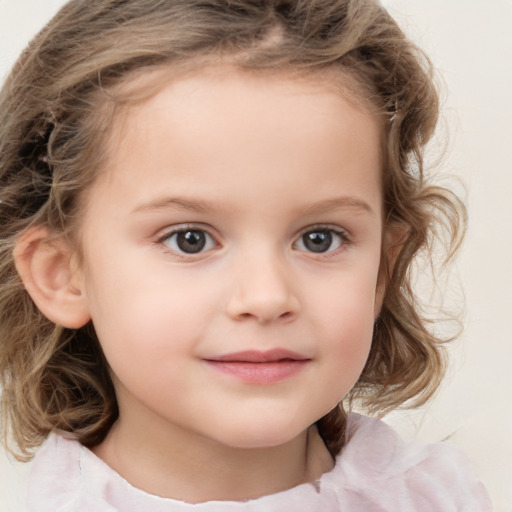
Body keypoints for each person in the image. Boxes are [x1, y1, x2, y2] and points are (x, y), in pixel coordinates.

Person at [0, 0, 492, 510]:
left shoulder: (439, 497)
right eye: (189, 239)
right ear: (62, 274)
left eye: (320, 238)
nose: (266, 297)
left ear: (381, 271)